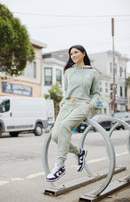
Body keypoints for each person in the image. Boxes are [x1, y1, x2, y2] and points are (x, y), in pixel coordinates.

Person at [46, 45, 100, 182]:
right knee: (55, 136)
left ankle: (60, 165)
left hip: (83, 105)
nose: (73, 55)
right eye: (71, 54)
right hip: (67, 105)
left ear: (83, 54)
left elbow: (96, 94)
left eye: (76, 52)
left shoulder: (92, 72)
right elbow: (68, 91)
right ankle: (79, 152)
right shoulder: (68, 72)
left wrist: (91, 104)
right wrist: (64, 100)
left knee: (65, 126)